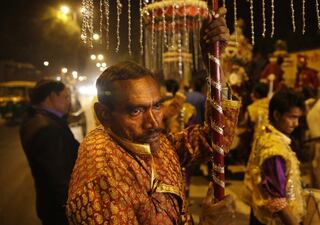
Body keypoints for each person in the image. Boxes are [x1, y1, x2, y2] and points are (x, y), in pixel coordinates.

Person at [66, 8, 240, 225]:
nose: (153, 122)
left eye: (156, 106)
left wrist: (214, 66)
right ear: (104, 115)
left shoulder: (145, 141)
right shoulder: (103, 175)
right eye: (135, 111)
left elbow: (213, 141)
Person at [19, 80, 79, 225]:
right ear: (52, 96)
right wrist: (74, 210)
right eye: (66, 97)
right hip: (60, 212)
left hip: (50, 206)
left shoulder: (34, 120)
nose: (69, 101)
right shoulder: (48, 129)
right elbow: (59, 178)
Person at [245, 90, 306, 225]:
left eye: (298, 118)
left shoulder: (266, 134)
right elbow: (277, 201)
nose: (296, 123)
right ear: (277, 115)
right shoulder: (274, 150)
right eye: (292, 117)